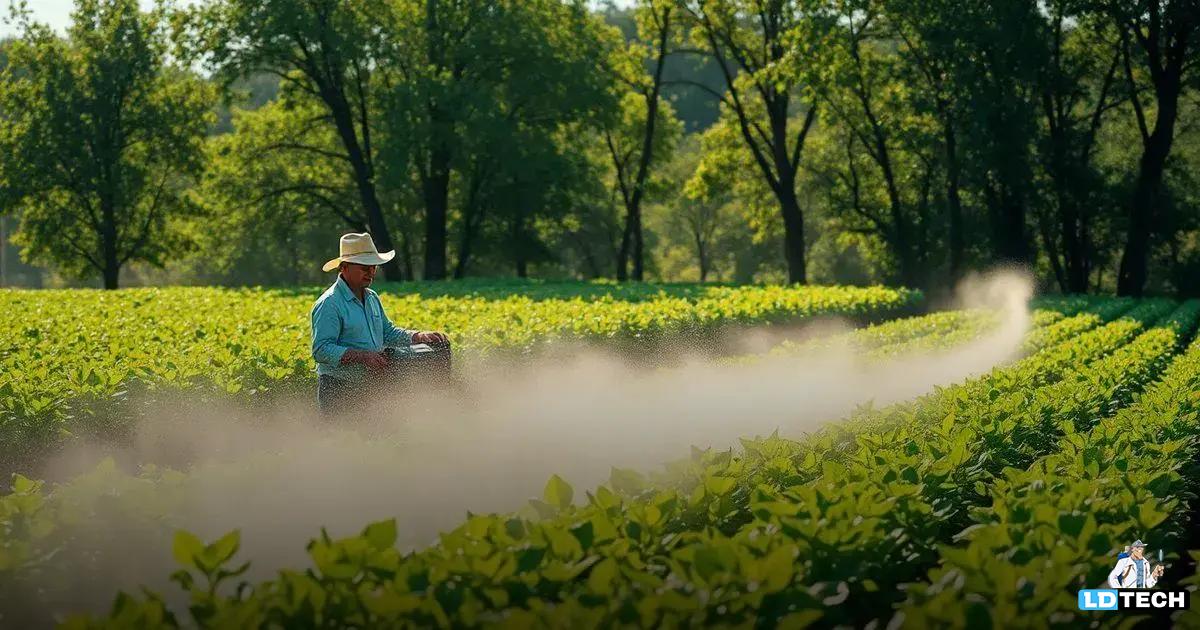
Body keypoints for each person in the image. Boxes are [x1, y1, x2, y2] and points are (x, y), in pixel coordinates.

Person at [310, 232, 448, 414]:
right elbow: (321, 350)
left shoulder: (372, 298)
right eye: (364, 267)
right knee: (343, 439)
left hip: (370, 386)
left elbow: (388, 332)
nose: (371, 272)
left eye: (373, 267)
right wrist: (362, 357)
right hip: (339, 389)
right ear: (344, 268)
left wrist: (417, 336)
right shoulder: (330, 303)